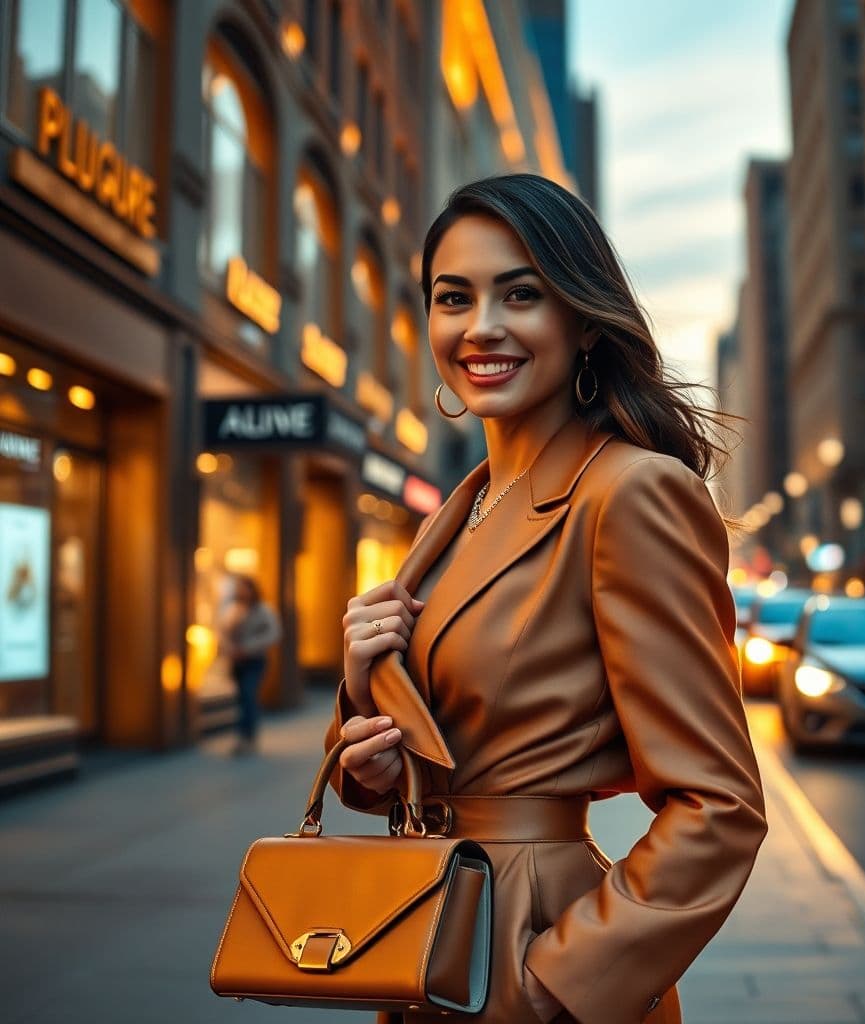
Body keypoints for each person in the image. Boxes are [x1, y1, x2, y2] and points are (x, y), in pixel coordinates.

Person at [324, 174, 768, 1024]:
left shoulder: (630, 493)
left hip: (534, 957)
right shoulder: (460, 509)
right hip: (427, 941)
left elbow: (720, 806)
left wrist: (559, 981)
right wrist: (369, 733)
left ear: (580, 317)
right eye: (453, 298)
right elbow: (462, 740)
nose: (481, 326)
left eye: (520, 293)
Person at [219, 574, 281, 756]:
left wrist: (249, 647)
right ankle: (242, 736)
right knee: (241, 698)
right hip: (236, 660)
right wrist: (230, 649)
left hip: (254, 659)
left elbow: (274, 633)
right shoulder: (233, 608)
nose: (240, 591)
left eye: (243, 587)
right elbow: (222, 632)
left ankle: (247, 738)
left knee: (248, 696)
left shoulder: (263, 610)